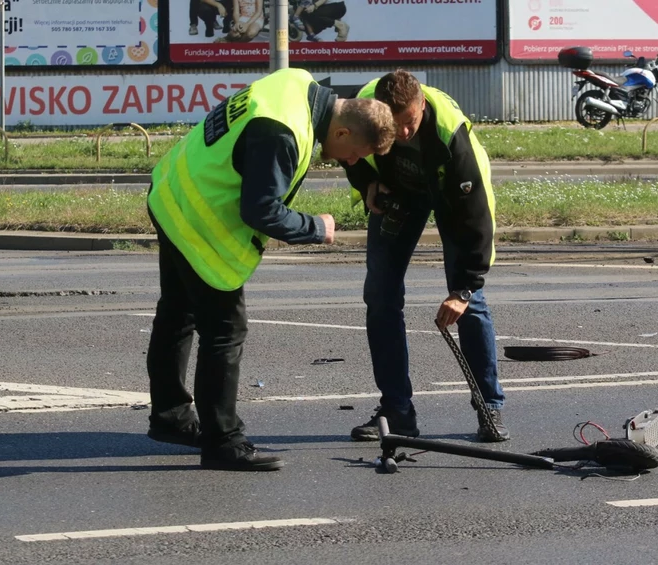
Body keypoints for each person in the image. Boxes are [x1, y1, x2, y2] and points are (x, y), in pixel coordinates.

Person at [145, 68, 396, 472]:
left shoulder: (295, 83)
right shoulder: (283, 133)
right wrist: (317, 227)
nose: (351, 162)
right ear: (345, 132)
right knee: (225, 331)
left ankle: (171, 417)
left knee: (177, 314)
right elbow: (261, 210)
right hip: (200, 221)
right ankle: (222, 442)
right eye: (355, 154)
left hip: (173, 190)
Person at [342, 70, 509, 443]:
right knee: (380, 297)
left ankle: (489, 407)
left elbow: (477, 220)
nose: (402, 133)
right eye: (393, 125)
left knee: (472, 305)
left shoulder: (452, 134)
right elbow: (345, 149)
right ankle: (397, 412)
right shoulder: (363, 108)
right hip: (400, 193)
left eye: (409, 123)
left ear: (421, 105)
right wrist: (367, 184)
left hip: (451, 194)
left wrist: (464, 290)